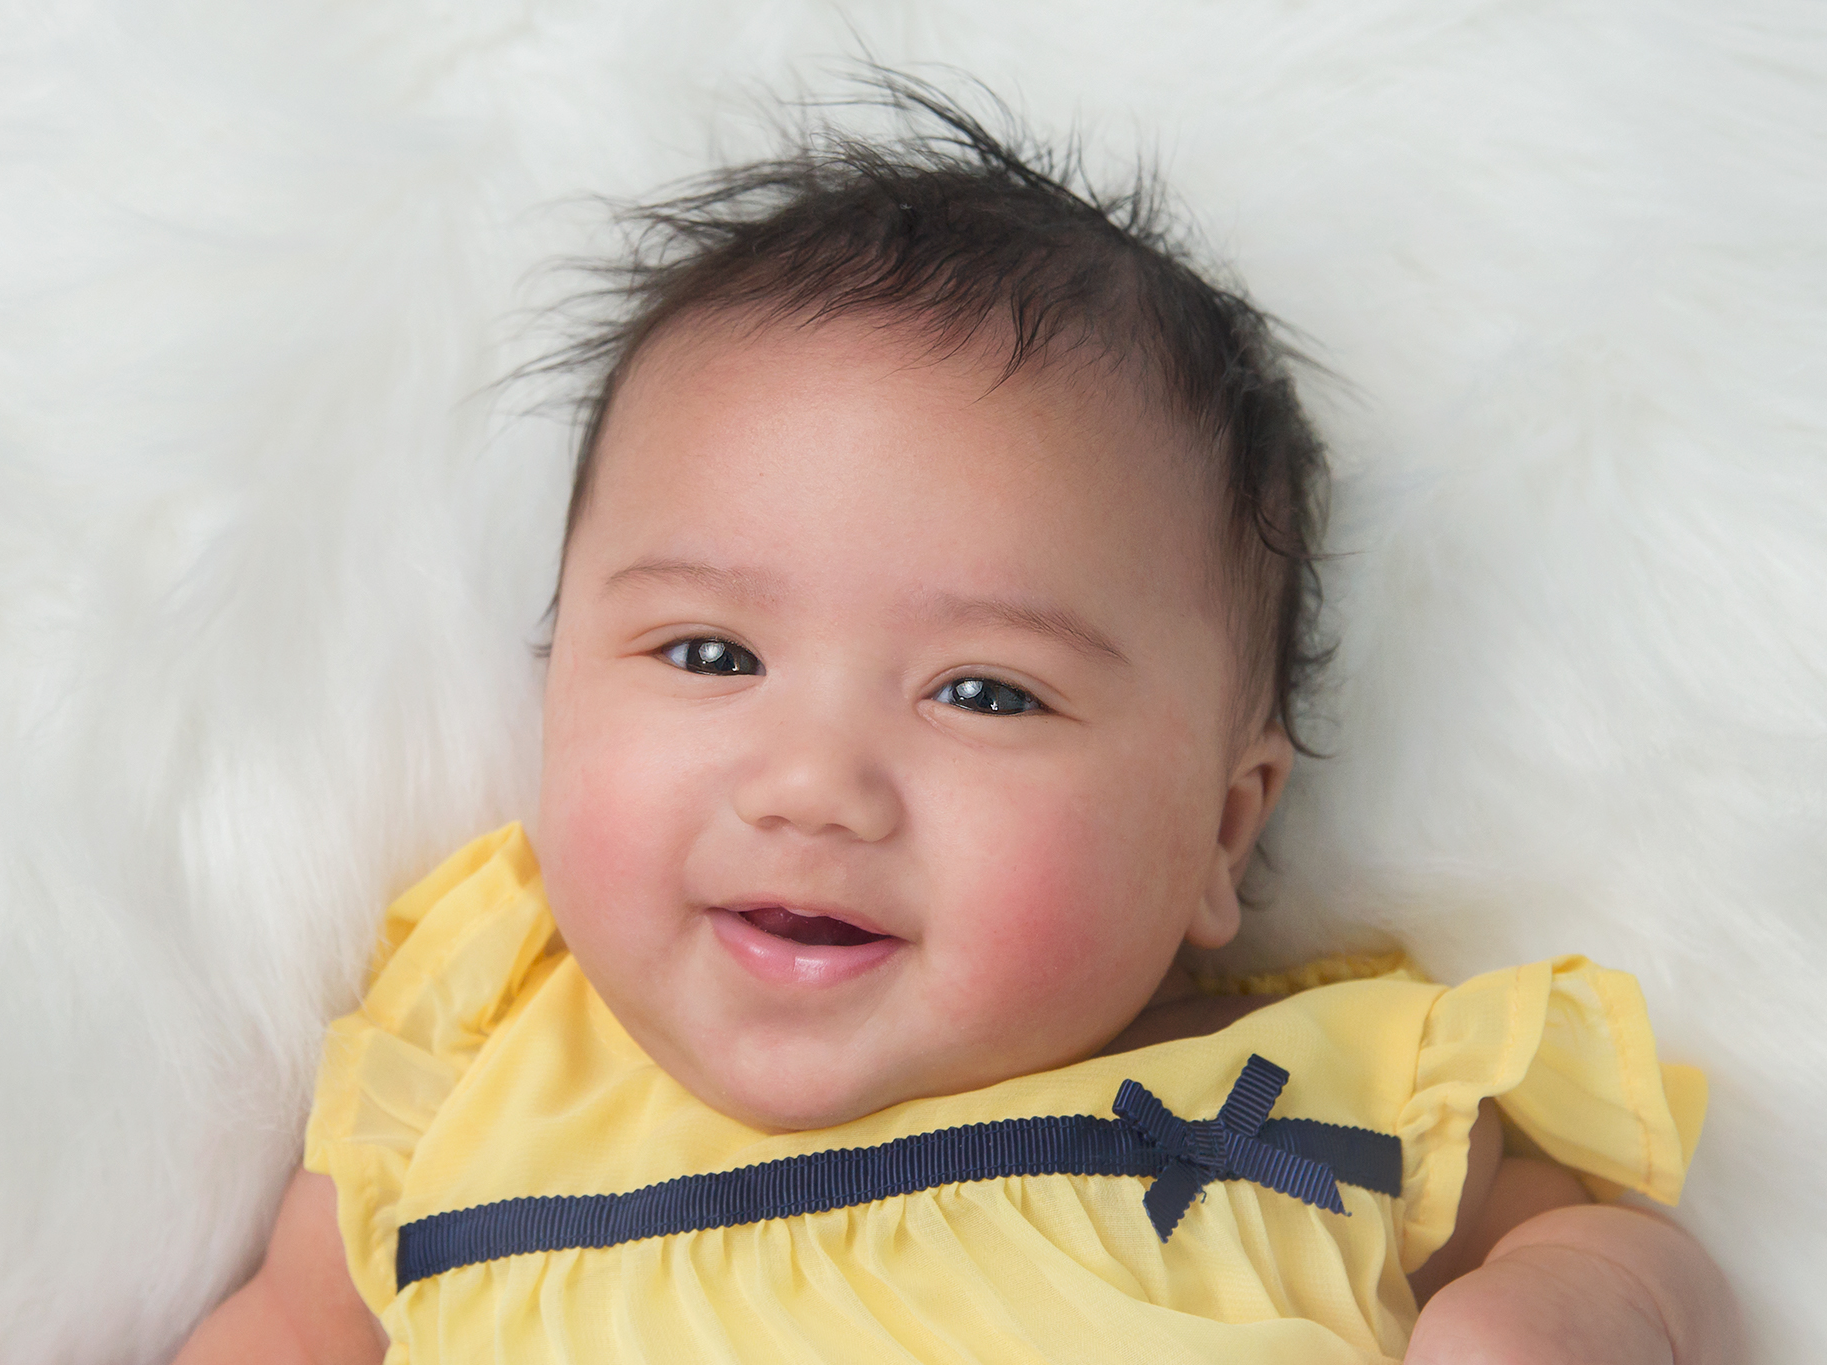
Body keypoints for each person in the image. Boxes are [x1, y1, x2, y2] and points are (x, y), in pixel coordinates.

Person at [176, 77, 1738, 1364]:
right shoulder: (467, 1072)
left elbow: (1628, 1253)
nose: (814, 784)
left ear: (1221, 826)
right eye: (712, 652)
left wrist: (1569, 1305)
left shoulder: (1309, 1095)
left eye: (984, 691)